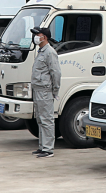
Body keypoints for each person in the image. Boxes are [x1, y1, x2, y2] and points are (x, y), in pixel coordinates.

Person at [28, 27, 60, 158]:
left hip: (45, 91)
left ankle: (48, 149)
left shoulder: (50, 52)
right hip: (38, 90)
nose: (35, 37)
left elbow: (56, 73)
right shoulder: (41, 51)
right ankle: (42, 146)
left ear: (44, 37)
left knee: (47, 120)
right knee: (40, 120)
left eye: (38, 35)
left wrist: (55, 90)